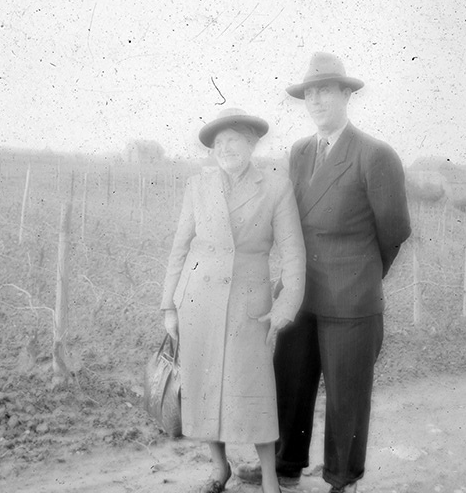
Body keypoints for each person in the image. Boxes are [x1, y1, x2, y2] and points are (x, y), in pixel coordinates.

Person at [236, 52, 412, 493]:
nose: (315, 100)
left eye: (326, 91)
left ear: (346, 95)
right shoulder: (299, 151)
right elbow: (291, 221)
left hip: (351, 299)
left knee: (347, 398)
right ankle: (286, 467)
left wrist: (362, 278)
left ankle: (341, 479)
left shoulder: (375, 155)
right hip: (300, 293)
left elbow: (393, 233)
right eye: (309, 93)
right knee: (288, 383)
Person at [160, 107, 306, 493]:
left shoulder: (276, 188)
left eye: (234, 141)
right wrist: (168, 306)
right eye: (219, 143)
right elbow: (179, 248)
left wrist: (285, 306)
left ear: (252, 144)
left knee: (254, 390)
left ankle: (271, 479)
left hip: (249, 305)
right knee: (205, 387)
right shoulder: (198, 186)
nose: (226, 149)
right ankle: (219, 468)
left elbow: (293, 253)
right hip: (199, 303)